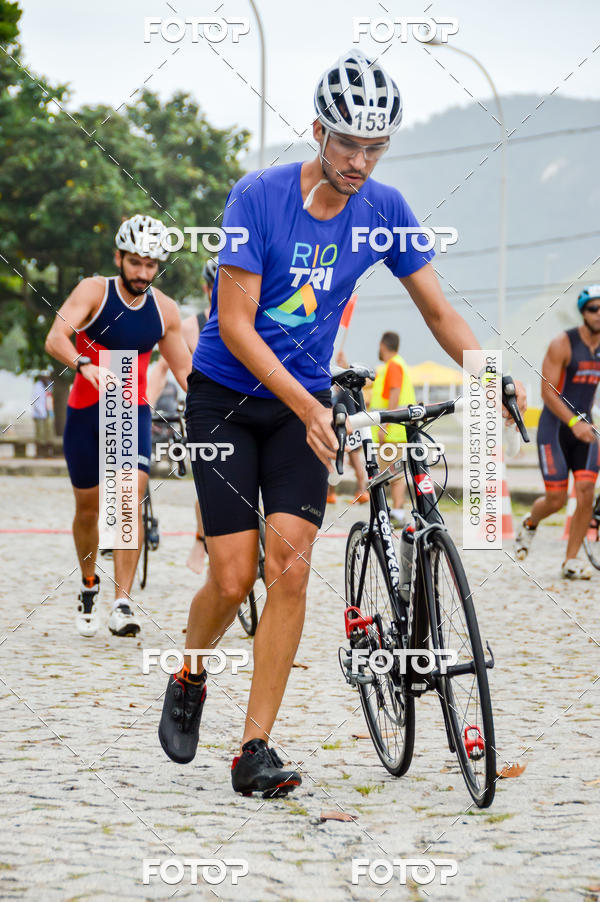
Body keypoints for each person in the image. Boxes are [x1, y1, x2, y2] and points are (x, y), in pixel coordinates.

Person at [157, 49, 526, 797]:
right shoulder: (257, 198)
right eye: (348, 142)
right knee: (230, 579)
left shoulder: (384, 210)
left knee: (288, 566)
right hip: (227, 398)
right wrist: (308, 403)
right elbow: (233, 326)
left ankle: (254, 747)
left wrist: (493, 375)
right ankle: (190, 672)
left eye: (376, 145)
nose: (360, 160)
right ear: (319, 131)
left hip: (304, 407)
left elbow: (438, 310)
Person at [45, 214, 192, 637]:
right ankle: (89, 582)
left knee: (128, 497)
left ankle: (123, 603)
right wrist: (84, 364)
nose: (143, 273)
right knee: (88, 508)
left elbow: (186, 373)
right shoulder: (94, 291)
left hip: (130, 408)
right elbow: (56, 338)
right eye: (135, 263)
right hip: (86, 409)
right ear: (119, 257)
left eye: (151, 265)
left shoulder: (164, 310)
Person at [515, 286, 600, 578]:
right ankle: (530, 523)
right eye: (593, 308)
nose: (599, 314)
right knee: (557, 500)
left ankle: (571, 561)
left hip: (585, 428)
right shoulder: (563, 344)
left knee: (587, 491)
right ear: (583, 312)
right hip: (556, 427)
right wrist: (574, 423)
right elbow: (548, 392)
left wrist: (584, 423)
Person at [146, 257, 217, 573]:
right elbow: (162, 368)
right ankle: (201, 540)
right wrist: (142, 404)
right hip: (204, 415)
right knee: (211, 481)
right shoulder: (190, 328)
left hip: (247, 410)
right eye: (217, 288)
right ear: (207, 288)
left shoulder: (256, 321)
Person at [369, 331, 415, 526]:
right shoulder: (392, 366)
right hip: (394, 431)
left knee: (394, 473)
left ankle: (396, 512)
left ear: (382, 345)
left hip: (392, 431)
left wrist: (385, 425)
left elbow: (394, 394)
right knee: (391, 472)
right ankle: (393, 511)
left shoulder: (394, 365)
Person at [327, 348, 368, 504]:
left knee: (334, 458)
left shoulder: (343, 389)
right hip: (354, 425)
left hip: (344, 426)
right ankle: (361, 491)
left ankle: (331, 494)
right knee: (354, 459)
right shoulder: (348, 389)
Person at [31, 371, 52, 450]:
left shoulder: (46, 386)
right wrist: (41, 412)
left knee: (47, 433)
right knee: (40, 434)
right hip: (39, 414)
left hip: (45, 412)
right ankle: (40, 452)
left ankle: (47, 451)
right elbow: (35, 401)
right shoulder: (38, 386)